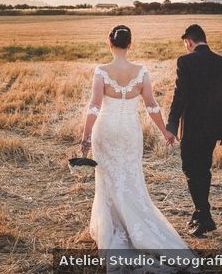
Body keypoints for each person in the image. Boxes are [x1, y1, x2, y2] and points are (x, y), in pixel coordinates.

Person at [80, 25, 196, 268]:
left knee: (108, 179)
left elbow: (94, 106)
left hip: (106, 131)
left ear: (109, 43)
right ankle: (136, 228)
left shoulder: (101, 72)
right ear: (130, 45)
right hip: (131, 133)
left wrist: (86, 135)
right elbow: (152, 106)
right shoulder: (141, 72)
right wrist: (165, 131)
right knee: (131, 179)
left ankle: (112, 230)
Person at [165, 24, 222, 237]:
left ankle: (204, 215)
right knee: (203, 170)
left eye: (185, 44)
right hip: (213, 129)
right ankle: (201, 212)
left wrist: (171, 125)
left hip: (193, 128)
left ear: (188, 41)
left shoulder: (185, 62)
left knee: (189, 169)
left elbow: (180, 96)